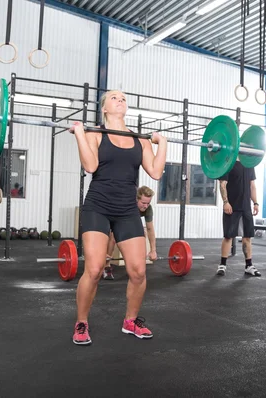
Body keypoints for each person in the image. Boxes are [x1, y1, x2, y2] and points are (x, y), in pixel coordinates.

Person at [70, 90, 167, 345]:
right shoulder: (95, 133)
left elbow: (156, 172)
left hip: (126, 209)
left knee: (138, 271)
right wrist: (80, 134)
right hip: (98, 205)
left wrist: (163, 142)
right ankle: (81, 322)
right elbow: (90, 166)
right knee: (93, 269)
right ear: (104, 108)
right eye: (113, 97)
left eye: (123, 98)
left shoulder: (140, 139)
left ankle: (130, 321)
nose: (120, 100)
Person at [103, 186, 158, 280]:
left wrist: (153, 250)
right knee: (113, 236)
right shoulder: (127, 203)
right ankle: (106, 265)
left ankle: (136, 265)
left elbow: (150, 229)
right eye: (143, 203)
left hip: (131, 220)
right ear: (136, 199)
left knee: (142, 234)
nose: (145, 206)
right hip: (115, 215)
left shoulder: (148, 209)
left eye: (148, 203)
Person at [217, 159, 260, 277]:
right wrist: (225, 202)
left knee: (247, 237)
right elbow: (222, 184)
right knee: (228, 236)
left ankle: (249, 266)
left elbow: (252, 186)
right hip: (232, 206)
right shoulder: (228, 163)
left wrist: (255, 203)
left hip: (246, 207)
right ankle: (222, 265)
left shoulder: (249, 164)